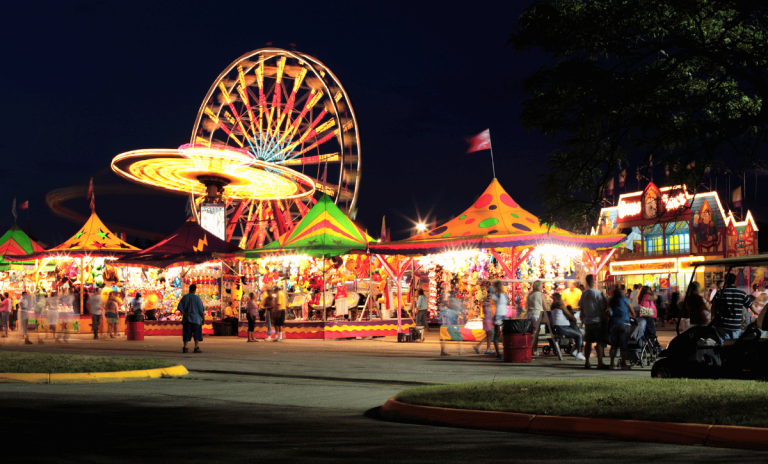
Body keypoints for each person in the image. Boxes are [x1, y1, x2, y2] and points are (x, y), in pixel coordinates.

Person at [578, 275, 609, 369]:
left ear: (586, 282)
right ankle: (600, 362)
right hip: (598, 320)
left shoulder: (584, 294)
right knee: (599, 342)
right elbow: (603, 309)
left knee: (588, 342)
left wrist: (583, 318)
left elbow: (581, 308)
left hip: (588, 321)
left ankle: (587, 362)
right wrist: (606, 320)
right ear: (594, 281)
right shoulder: (598, 293)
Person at [712, 273, 751, 341]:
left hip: (722, 324)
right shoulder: (742, 293)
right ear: (735, 281)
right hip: (735, 325)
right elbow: (751, 306)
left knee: (723, 345)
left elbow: (713, 306)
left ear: (725, 281)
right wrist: (759, 313)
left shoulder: (720, 293)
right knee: (734, 346)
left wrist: (713, 318)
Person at [550, 292, 586, 361]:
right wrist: (574, 319)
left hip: (558, 328)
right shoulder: (561, 306)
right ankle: (579, 352)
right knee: (579, 334)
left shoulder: (552, 307)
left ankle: (576, 351)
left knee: (576, 329)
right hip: (562, 328)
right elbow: (570, 316)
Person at [607, 288, 635, 370]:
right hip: (624, 324)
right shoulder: (626, 300)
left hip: (614, 324)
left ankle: (612, 363)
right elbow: (633, 312)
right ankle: (623, 363)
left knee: (614, 344)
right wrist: (632, 316)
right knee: (623, 345)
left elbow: (608, 311)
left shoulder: (612, 301)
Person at [178, 284, 205, 353]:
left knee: (186, 333)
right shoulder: (197, 298)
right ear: (195, 290)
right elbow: (201, 311)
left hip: (187, 319)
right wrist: (203, 319)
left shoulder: (184, 297)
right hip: (196, 319)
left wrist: (185, 314)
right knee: (197, 334)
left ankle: (185, 348)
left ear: (189, 289)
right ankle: (196, 348)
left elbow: (180, 308)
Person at [490, 280, 508, 360]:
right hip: (503, 315)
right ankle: (501, 352)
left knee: (497, 334)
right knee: (503, 334)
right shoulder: (504, 295)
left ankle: (498, 352)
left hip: (499, 314)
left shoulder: (496, 294)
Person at [474, 291, 494, 355]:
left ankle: (479, 346)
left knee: (488, 335)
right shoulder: (487, 305)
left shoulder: (485, 305)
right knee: (489, 334)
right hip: (488, 320)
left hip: (486, 320)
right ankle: (487, 349)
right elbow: (490, 313)